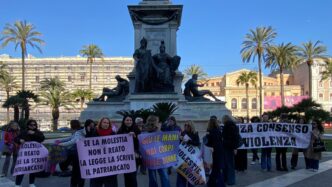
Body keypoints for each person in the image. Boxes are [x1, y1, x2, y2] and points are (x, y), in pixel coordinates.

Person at [14, 119, 45, 187]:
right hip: (25, 155)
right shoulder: (23, 132)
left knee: (33, 168)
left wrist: (34, 133)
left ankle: (31, 183)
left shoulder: (38, 132)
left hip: (34, 155)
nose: (33, 126)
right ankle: (17, 184)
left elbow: (42, 138)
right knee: (22, 168)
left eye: (34, 125)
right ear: (28, 125)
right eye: (31, 125)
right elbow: (16, 139)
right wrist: (20, 140)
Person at [89, 117, 118, 187]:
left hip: (110, 165)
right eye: (104, 122)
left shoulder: (113, 134)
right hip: (97, 165)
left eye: (107, 123)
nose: (106, 124)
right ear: (100, 123)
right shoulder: (94, 132)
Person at [143, 115, 170, 187]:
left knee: (158, 175)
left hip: (159, 157)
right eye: (157, 121)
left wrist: (158, 130)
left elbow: (166, 141)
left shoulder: (159, 130)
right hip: (153, 157)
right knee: (160, 175)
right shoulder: (145, 132)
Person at [58, 120, 86, 187]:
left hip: (78, 154)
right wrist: (60, 141)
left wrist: (61, 144)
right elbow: (70, 138)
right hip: (77, 154)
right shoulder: (78, 131)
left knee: (78, 172)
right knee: (77, 172)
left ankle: (76, 184)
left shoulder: (79, 132)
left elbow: (73, 141)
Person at [117, 116, 141, 187]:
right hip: (124, 157)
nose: (129, 122)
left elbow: (141, 142)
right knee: (126, 176)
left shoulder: (136, 130)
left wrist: (135, 136)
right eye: (127, 120)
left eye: (130, 120)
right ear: (124, 121)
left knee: (133, 176)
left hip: (134, 156)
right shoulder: (120, 130)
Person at [176, 120, 200, 187]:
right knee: (181, 174)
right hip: (183, 156)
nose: (186, 126)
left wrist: (188, 141)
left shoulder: (195, 133)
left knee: (190, 175)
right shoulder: (183, 132)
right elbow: (180, 144)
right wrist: (180, 138)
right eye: (185, 125)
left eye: (188, 125)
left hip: (191, 157)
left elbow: (197, 143)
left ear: (191, 126)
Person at [205, 118, 225, 187]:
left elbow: (208, 142)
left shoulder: (210, 131)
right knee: (217, 168)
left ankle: (214, 183)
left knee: (215, 169)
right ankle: (213, 183)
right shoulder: (219, 130)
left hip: (214, 151)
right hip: (219, 150)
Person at [222, 119, 237, 185]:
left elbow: (223, 137)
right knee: (231, 165)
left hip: (226, 147)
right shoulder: (234, 127)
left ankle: (226, 179)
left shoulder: (226, 127)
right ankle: (231, 180)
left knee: (226, 164)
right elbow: (235, 138)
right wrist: (235, 148)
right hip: (231, 147)